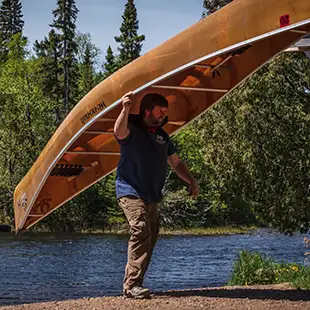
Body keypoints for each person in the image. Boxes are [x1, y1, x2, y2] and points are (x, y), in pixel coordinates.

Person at [114, 91, 199, 299]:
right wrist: (125, 108)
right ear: (147, 111)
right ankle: (131, 285)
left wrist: (191, 180)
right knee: (141, 228)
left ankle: (136, 283)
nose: (163, 115)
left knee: (151, 235)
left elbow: (176, 163)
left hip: (151, 195)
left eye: (164, 112)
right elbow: (118, 131)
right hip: (129, 190)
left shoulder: (163, 136)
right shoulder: (132, 129)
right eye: (159, 111)